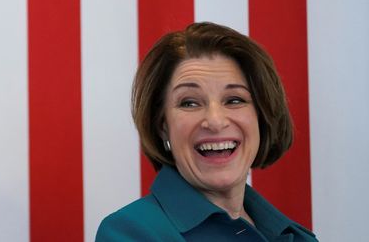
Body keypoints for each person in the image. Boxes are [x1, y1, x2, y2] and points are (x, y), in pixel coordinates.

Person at [96, 22, 317, 241]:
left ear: (262, 116)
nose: (215, 121)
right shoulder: (129, 233)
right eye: (190, 103)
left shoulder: (298, 237)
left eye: (234, 100)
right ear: (162, 126)